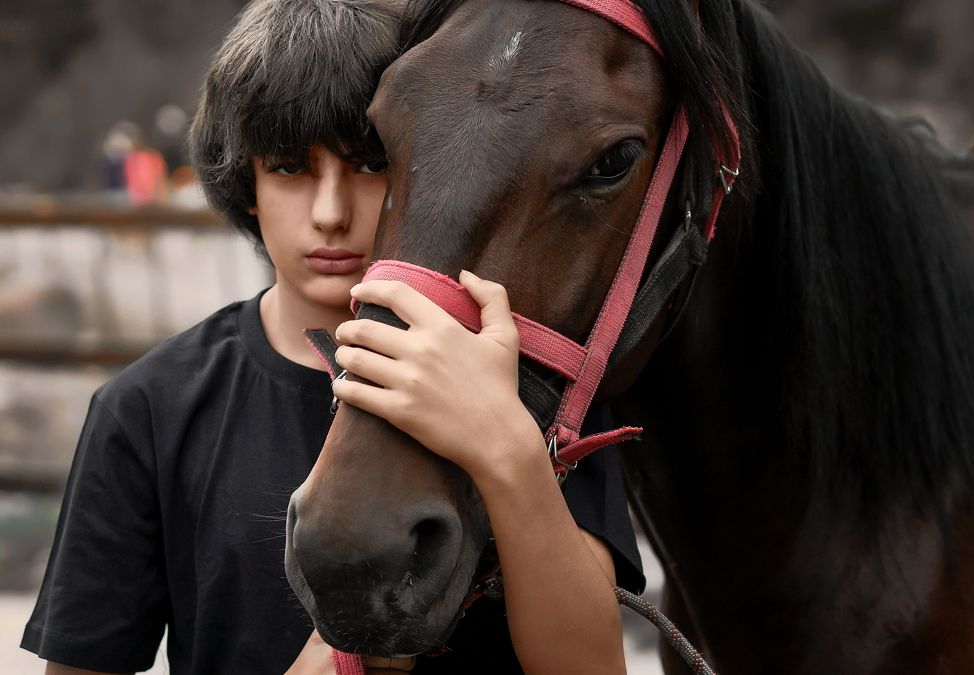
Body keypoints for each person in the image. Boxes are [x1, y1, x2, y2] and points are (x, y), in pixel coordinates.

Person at [21, 0, 643, 673]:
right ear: (245, 184)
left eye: (368, 164)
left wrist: (511, 450)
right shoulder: (149, 408)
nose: (330, 213)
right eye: (288, 168)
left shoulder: (528, 376)